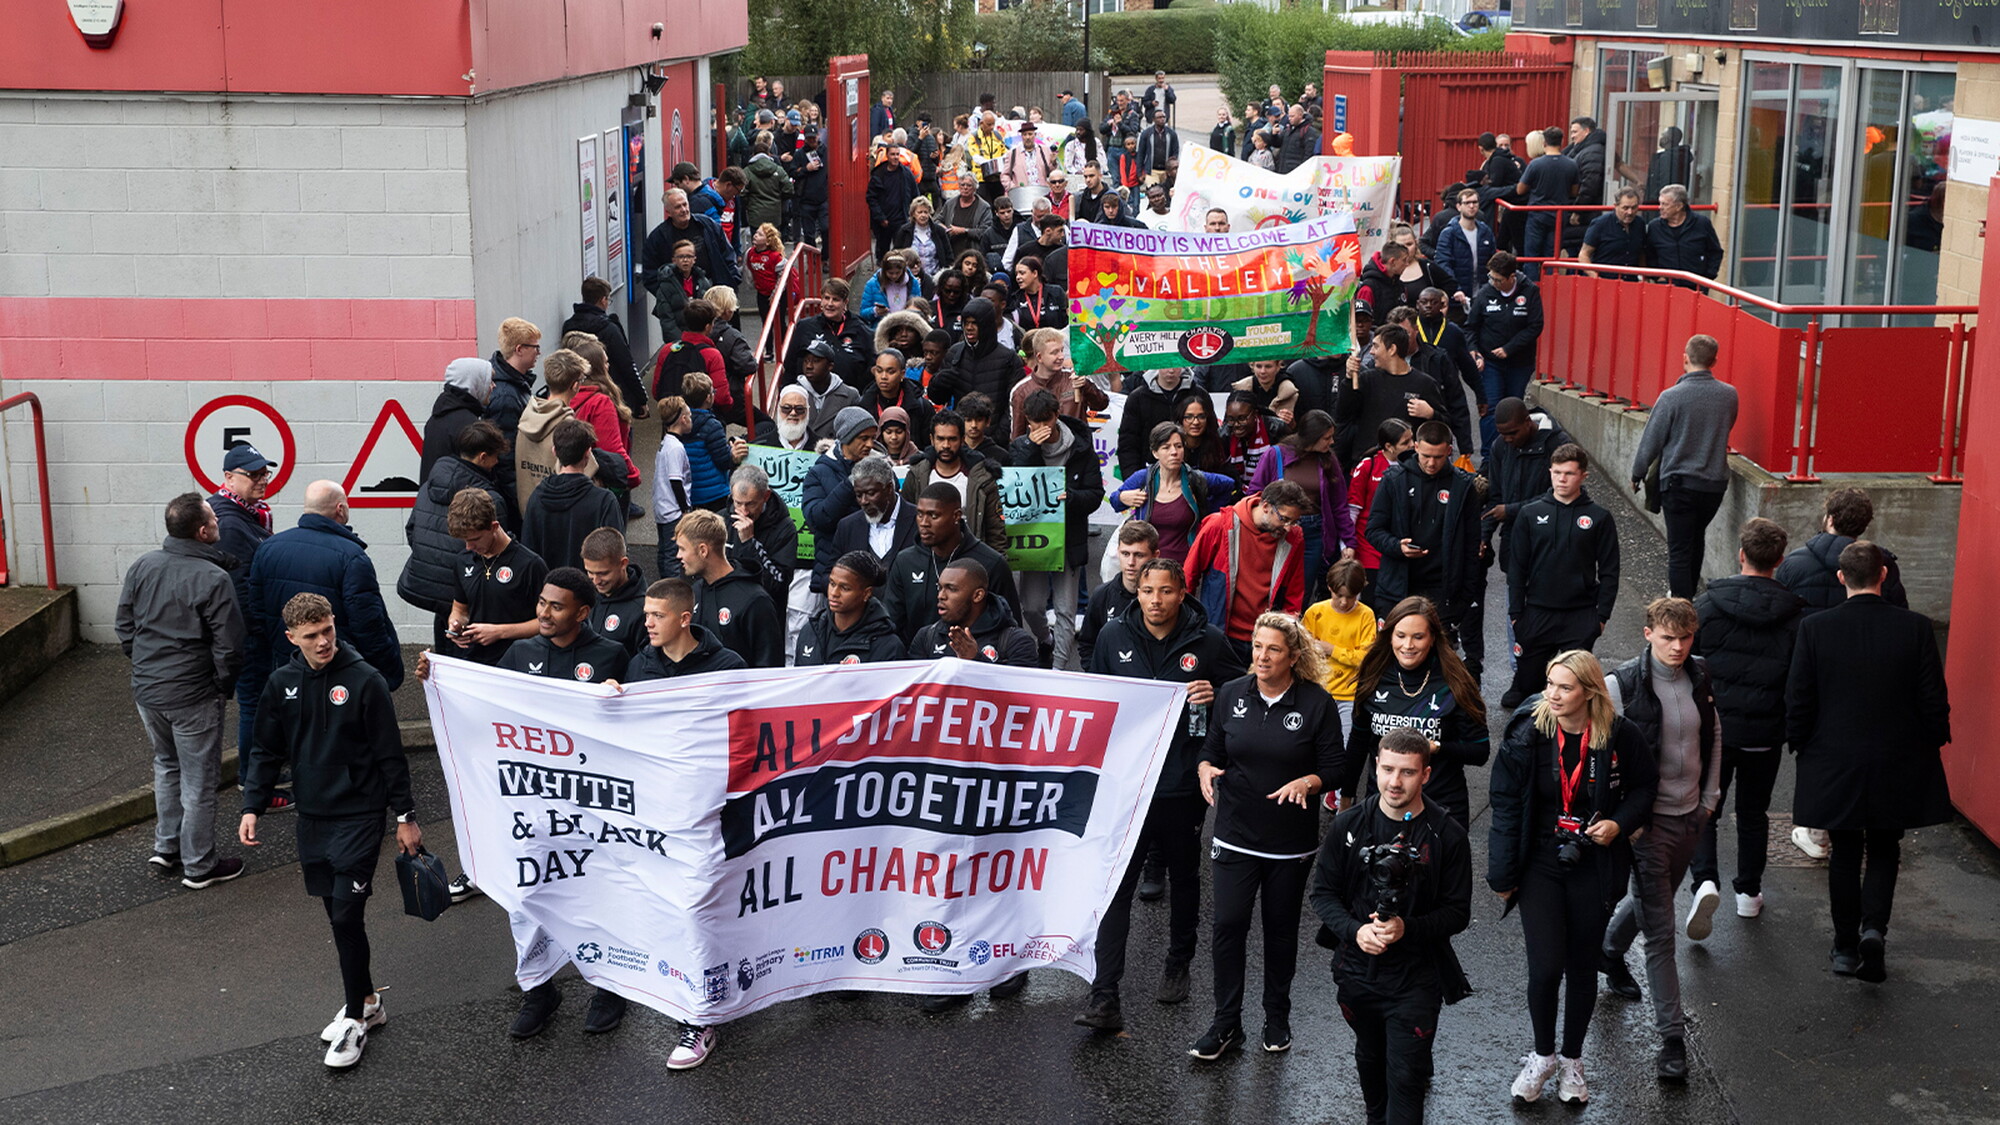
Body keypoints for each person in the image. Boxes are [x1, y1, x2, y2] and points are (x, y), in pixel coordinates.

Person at [239, 593, 418, 1068]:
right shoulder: (282, 684)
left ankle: (356, 1022)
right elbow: (264, 749)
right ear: (292, 638)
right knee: (337, 916)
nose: (323, 642)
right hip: (313, 817)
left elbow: (390, 756)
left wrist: (405, 817)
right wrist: (252, 805)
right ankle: (368, 1001)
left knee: (345, 916)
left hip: (360, 816)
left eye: (328, 631)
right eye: (312, 636)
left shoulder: (365, 681)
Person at [1078, 558, 1244, 1032]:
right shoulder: (1114, 637)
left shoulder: (1207, 640)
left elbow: (1240, 689)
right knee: (1117, 887)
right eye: (1147, 591)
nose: (1155, 600)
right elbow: (1098, 702)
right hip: (1128, 785)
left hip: (1180, 784)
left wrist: (1217, 694)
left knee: (1184, 873)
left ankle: (1178, 960)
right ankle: (1104, 994)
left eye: (1165, 592)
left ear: (1181, 592)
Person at [1488, 650, 1658, 1106]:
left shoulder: (1621, 736)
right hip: (1541, 862)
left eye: (1565, 687)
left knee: (1582, 967)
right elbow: (1504, 803)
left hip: (1595, 863)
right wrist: (1501, 873)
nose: (1553, 694)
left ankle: (1572, 1061)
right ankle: (1542, 1056)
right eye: (1550, 684)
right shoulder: (1529, 732)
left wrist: (1619, 823)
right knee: (1545, 967)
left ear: (1590, 691)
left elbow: (1645, 788)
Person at [1787, 541, 1952, 985]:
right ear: (1883, 576)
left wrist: (1801, 743)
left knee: (1844, 850)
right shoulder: (1915, 629)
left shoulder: (1815, 629)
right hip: (1896, 757)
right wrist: (1932, 741)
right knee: (1884, 847)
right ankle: (1873, 929)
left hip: (1834, 757)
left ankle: (1844, 948)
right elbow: (1932, 699)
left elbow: (1800, 697)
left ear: (1840, 578)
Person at [1192, 614, 1340, 1059]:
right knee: (1227, 926)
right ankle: (1225, 1023)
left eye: (1273, 649)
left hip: (1289, 842)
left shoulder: (1316, 703)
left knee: (1279, 931)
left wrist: (1308, 784)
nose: (1262, 656)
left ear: (1293, 656)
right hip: (1235, 833)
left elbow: (1336, 767)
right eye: (1257, 647)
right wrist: (1204, 768)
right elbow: (1212, 748)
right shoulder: (1233, 694)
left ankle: (1276, 1016)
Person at [1312, 727, 1474, 1125]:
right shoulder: (1348, 825)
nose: (1394, 782)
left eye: (1407, 772)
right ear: (1376, 767)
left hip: (1416, 979)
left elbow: (1458, 913)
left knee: (1405, 1079)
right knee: (1370, 1064)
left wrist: (1407, 928)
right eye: (1387, 770)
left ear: (1426, 775)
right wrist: (1355, 931)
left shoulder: (1448, 835)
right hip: (1356, 973)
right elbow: (1322, 895)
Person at [1599, 597, 1723, 1080]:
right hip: (1647, 826)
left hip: (1692, 814)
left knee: (1657, 900)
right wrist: (1628, 818)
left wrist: (1709, 800)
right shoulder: (1621, 685)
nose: (1677, 647)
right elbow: (1603, 760)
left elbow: (1714, 733)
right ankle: (1672, 1040)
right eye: (1668, 637)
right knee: (1660, 932)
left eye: (1685, 638)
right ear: (1647, 632)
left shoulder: (1700, 674)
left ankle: (1608, 951)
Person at [117, 492, 247, 888]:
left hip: (148, 691)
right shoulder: (213, 578)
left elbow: (124, 626)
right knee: (199, 780)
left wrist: (144, 665)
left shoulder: (143, 566)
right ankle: (199, 864)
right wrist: (220, 685)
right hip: (192, 694)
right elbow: (230, 647)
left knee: (166, 766)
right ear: (204, 531)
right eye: (214, 521)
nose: (219, 525)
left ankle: (166, 847)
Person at [1690, 518, 1802, 920]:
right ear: (1780, 560)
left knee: (1706, 807)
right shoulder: (1795, 617)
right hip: (1765, 733)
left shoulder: (1706, 606)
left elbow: (1688, 664)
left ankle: (1704, 879)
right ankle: (1749, 893)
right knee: (1754, 813)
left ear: (1741, 555)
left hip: (1715, 730)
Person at [1342, 596, 1490, 831]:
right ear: (1389, 635)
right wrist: (1347, 797)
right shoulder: (1374, 677)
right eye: (1401, 636)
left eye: (1418, 637)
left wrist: (1436, 747)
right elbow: (1359, 742)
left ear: (1432, 639)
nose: (1408, 645)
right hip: (1383, 808)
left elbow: (1480, 751)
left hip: (1441, 809)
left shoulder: (1455, 682)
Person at [248, 481, 403, 690]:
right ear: (341, 509)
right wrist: (388, 668)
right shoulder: (351, 556)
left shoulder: (268, 548)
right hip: (340, 668)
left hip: (290, 665)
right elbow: (367, 622)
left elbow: (258, 610)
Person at [1505, 443, 1619, 708]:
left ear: (1583, 476)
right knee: (1529, 691)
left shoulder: (1599, 518)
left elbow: (1610, 571)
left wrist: (1601, 617)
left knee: (1573, 691)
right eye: (1556, 472)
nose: (1561, 479)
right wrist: (1515, 615)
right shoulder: (1529, 514)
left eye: (1568, 473)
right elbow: (1517, 569)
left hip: (1580, 615)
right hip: (1536, 614)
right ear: (1550, 472)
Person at [1630, 334, 1737, 598]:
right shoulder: (1729, 395)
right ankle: (1688, 599)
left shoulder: (1671, 397)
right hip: (1713, 485)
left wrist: (1637, 473)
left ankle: (1680, 608)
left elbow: (1651, 441)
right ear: (1714, 360)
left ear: (1685, 358)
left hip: (1679, 484)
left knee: (1679, 549)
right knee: (1695, 539)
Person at [1008, 388, 1104, 669]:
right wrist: (1030, 449)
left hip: (1069, 536)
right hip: (1036, 536)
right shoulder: (1021, 446)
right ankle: (1045, 639)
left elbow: (1095, 494)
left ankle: (1058, 670)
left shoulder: (1081, 448)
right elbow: (1016, 485)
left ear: (1056, 416)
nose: (1039, 429)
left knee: (1065, 609)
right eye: (1033, 423)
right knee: (1032, 606)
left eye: (1045, 422)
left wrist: (1071, 497)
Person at [1365, 422, 1480, 652]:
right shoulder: (1394, 480)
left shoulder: (1463, 486)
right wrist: (1397, 546)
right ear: (1416, 447)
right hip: (1398, 587)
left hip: (1443, 591)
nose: (1431, 463)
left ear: (1449, 450)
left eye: (1438, 457)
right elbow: (1373, 530)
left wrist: (1465, 595)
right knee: (1396, 655)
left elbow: (1471, 546)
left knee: (1440, 660)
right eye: (1426, 455)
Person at [402, 421, 511, 648]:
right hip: (466, 594)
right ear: (482, 457)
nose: (497, 462)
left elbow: (411, 529)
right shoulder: (490, 499)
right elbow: (497, 548)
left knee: (444, 643)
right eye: (494, 456)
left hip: (430, 586)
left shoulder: (428, 486)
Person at [207, 443, 274, 785]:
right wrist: (262, 631)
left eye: (265, 472)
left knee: (259, 704)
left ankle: (260, 774)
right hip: (247, 635)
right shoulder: (231, 524)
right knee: (254, 706)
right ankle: (254, 781)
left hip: (247, 631)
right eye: (253, 475)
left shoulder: (248, 512)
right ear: (229, 478)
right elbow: (241, 588)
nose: (262, 480)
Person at [883, 481, 1018, 645]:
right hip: (919, 662)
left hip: (974, 662)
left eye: (933, 516)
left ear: (956, 516)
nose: (924, 523)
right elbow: (893, 625)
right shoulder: (905, 561)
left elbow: (1010, 629)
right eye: (920, 514)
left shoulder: (991, 563)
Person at [1247, 410, 1356, 598]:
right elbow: (1254, 494)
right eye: (1326, 438)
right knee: (1268, 587)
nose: (1331, 442)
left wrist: (1348, 541)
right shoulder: (1276, 455)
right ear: (1311, 438)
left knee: (1300, 591)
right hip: (1277, 529)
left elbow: (1339, 505)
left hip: (1312, 533)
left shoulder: (1328, 460)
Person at [444, 487, 547, 667]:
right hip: (474, 662)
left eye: (475, 539)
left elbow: (548, 623)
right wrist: (455, 625)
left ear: (494, 527)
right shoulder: (463, 561)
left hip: (518, 663)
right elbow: (460, 609)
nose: (469, 547)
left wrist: (499, 632)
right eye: (464, 541)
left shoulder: (530, 565)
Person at [1112, 422, 1238, 565]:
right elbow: (1115, 502)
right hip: (1147, 566)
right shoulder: (1143, 478)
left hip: (1185, 566)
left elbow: (1228, 485)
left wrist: (1208, 516)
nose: (1174, 452)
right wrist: (1122, 498)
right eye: (1166, 447)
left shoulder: (1195, 479)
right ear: (1155, 453)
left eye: (1179, 446)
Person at [1776, 487, 1911, 617]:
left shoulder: (1792, 563)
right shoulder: (1882, 563)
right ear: (1864, 526)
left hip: (1809, 638)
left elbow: (1780, 612)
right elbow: (1899, 616)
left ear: (1830, 520)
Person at [676, 508, 783, 668]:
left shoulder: (755, 600)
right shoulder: (695, 592)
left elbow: (769, 667)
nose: (678, 556)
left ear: (703, 550)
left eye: (682, 549)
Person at [1334, 327, 1450, 472]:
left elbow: (1445, 425)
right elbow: (1342, 414)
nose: (1371, 352)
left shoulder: (1425, 384)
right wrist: (1349, 379)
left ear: (1392, 349)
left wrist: (1431, 414)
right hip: (1369, 466)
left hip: (1407, 468)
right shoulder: (1366, 379)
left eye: (1376, 346)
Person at [1464, 253, 1544, 453]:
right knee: (1491, 408)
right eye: (1491, 278)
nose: (1494, 283)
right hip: (1491, 363)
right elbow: (1470, 327)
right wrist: (1474, 350)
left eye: (1498, 280)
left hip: (1519, 362)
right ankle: (1489, 456)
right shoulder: (1485, 293)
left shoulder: (1531, 291)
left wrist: (1509, 348)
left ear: (1511, 278)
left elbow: (1535, 326)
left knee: (1512, 409)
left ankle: (1511, 452)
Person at [521, 419, 623, 573]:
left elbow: (528, 551)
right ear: (588, 453)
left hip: (549, 590)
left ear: (554, 451)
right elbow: (615, 553)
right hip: (588, 589)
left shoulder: (537, 497)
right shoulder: (604, 501)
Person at [900, 408, 1007, 552]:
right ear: (932, 439)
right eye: (941, 439)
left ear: (963, 440)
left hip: (970, 559)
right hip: (927, 559)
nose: (946, 446)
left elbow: (996, 532)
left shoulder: (982, 479)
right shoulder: (917, 475)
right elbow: (906, 523)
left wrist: (997, 569)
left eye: (952, 439)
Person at [1301, 559, 1377, 746]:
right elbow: (1303, 652)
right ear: (1329, 588)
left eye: (1350, 597)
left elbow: (1366, 658)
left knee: (1344, 747)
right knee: (1312, 744)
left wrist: (1331, 650)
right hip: (1318, 691)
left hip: (1349, 695)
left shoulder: (1366, 615)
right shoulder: (1315, 612)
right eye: (1339, 595)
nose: (1344, 602)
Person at [801, 407, 878, 591]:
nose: (869, 445)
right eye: (863, 438)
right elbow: (817, 518)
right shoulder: (818, 472)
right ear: (846, 437)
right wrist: (851, 483)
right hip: (835, 571)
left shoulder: (878, 466)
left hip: (873, 572)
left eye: (872, 438)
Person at [794, 550, 906, 665]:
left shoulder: (888, 646)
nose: (834, 593)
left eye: (845, 588)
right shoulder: (810, 632)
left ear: (866, 593)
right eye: (832, 584)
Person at [560, 277, 646, 416]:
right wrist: (641, 398)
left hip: (577, 393)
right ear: (603, 300)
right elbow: (627, 364)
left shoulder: (569, 326)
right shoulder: (609, 328)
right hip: (610, 391)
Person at [1349, 418, 1412, 603]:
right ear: (1389, 446)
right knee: (1370, 602)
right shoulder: (1368, 466)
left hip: (1400, 545)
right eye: (1405, 442)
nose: (1412, 445)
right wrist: (1348, 545)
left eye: (1411, 439)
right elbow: (1353, 509)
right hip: (1368, 549)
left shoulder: (1413, 466)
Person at [725, 464, 799, 619]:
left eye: (751, 504)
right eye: (738, 503)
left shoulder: (785, 529)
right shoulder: (721, 520)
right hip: (725, 610)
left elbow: (777, 583)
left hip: (762, 616)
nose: (744, 512)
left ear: (766, 496)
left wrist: (749, 543)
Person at [1079, 520, 1158, 667]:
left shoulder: (1163, 598)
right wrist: (1096, 674)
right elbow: (1088, 643)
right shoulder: (1102, 595)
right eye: (1125, 554)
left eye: (1139, 555)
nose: (1131, 562)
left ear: (1155, 556)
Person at [484, 317, 540, 508]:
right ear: (519, 349)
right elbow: (505, 455)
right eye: (535, 347)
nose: (538, 353)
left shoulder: (514, 383)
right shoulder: (506, 396)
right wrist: (519, 499)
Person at [784, 278, 877, 389]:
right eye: (826, 298)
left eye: (836, 299)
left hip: (849, 397)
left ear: (845, 302)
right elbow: (790, 366)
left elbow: (871, 370)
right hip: (808, 396)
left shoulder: (862, 330)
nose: (830, 304)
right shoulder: (805, 327)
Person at [1515, 127, 1579, 278]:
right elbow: (1575, 191)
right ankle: (1551, 287)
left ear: (1544, 142)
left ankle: (1532, 289)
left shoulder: (1536, 164)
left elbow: (1520, 189)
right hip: (1559, 215)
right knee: (1552, 256)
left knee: (1531, 256)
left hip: (1537, 213)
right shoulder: (1571, 164)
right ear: (1562, 142)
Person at [421, 357, 495, 485]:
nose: (493, 386)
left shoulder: (435, 418)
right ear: (474, 382)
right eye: (489, 381)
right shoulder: (470, 426)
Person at [581, 527, 647, 655]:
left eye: (603, 573)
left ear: (623, 564)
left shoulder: (643, 609)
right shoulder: (585, 595)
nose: (596, 581)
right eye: (590, 572)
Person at [1644, 184, 1723, 285]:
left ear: (1679, 206)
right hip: (1666, 286)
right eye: (1660, 203)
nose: (1660, 208)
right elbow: (1649, 254)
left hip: (1696, 286)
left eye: (1665, 204)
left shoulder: (1702, 223)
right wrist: (1658, 278)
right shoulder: (1654, 227)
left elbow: (1715, 252)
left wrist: (1707, 278)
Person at [1435, 188, 1496, 308]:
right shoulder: (1449, 233)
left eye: (1475, 202)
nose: (1471, 206)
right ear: (1458, 207)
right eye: (1467, 203)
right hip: (1458, 295)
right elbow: (1443, 263)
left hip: (1483, 294)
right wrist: (1455, 289)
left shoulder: (1485, 231)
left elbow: (1493, 261)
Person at [867, 143, 920, 262]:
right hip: (883, 221)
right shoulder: (879, 174)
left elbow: (915, 194)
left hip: (901, 218)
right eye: (892, 154)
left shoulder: (906, 174)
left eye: (897, 154)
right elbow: (871, 198)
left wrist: (913, 214)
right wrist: (880, 217)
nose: (895, 157)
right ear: (887, 155)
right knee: (883, 252)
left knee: (901, 252)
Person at [1579, 187, 1648, 268]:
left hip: (1630, 278)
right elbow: (1583, 255)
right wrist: (1596, 276)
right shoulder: (1600, 224)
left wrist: (1644, 276)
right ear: (1616, 206)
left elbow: (1641, 253)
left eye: (1634, 208)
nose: (1630, 212)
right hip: (1605, 277)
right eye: (1625, 208)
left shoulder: (1640, 224)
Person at [1275, 104, 1319, 175]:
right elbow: (1277, 143)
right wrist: (1274, 135)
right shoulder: (1288, 130)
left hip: (1297, 171)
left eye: (1292, 116)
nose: (1289, 118)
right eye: (1289, 116)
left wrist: (1302, 171)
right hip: (1282, 168)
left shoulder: (1308, 131)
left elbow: (1309, 153)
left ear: (1300, 115)